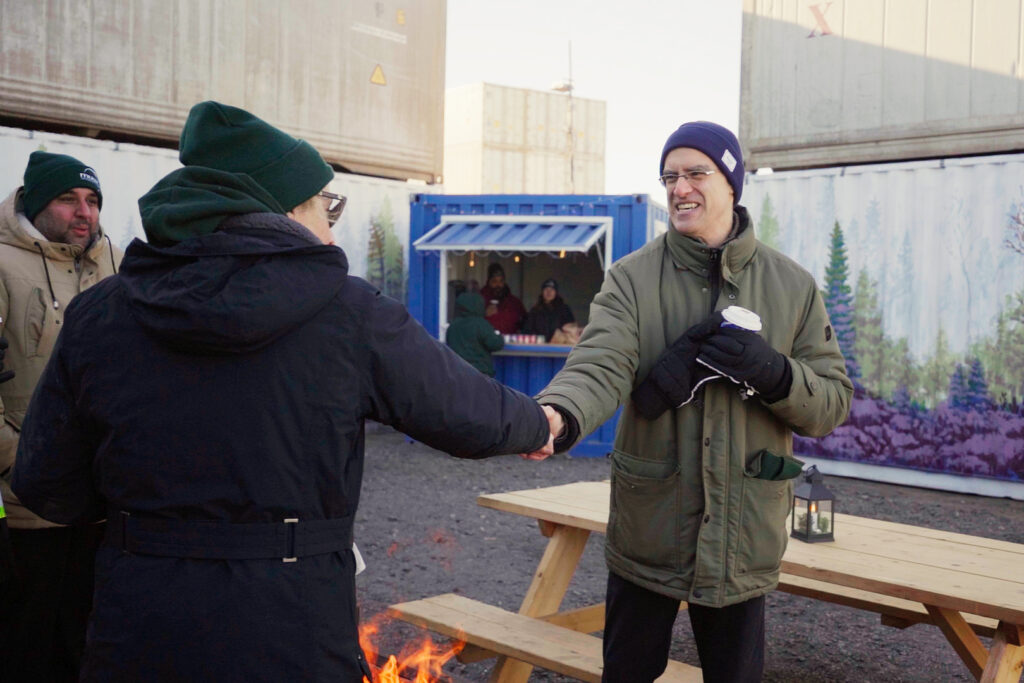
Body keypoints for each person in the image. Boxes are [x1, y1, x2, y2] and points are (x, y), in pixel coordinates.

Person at [11, 101, 559, 683]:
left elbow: (46, 484)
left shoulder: (100, 312)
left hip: (139, 621)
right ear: (288, 209)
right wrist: (544, 423)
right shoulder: (348, 312)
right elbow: (469, 414)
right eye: (328, 206)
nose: (332, 224)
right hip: (292, 625)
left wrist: (149, 523)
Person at [529, 121, 853, 682]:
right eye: (670, 176)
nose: (680, 188)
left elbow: (830, 404)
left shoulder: (792, 286)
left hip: (743, 533)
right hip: (649, 529)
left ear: (731, 184)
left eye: (696, 173)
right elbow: (600, 363)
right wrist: (560, 413)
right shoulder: (631, 279)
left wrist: (775, 375)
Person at [0, 151, 123, 682]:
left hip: (105, 497)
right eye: (68, 198)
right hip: (26, 500)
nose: (85, 213)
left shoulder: (116, 264)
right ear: (34, 201)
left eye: (92, 201)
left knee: (90, 636)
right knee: (25, 640)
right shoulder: (3, 265)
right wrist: (17, 464)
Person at [446, 291, 505, 376]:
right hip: (479, 372)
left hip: (456, 372)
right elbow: (495, 343)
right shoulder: (480, 324)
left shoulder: (453, 326)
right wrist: (499, 336)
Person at [480, 262, 526, 334]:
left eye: (501, 281)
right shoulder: (480, 300)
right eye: (494, 281)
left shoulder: (514, 302)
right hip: (485, 343)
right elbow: (470, 322)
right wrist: (483, 314)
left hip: (510, 343)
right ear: (488, 282)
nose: (498, 285)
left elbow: (525, 323)